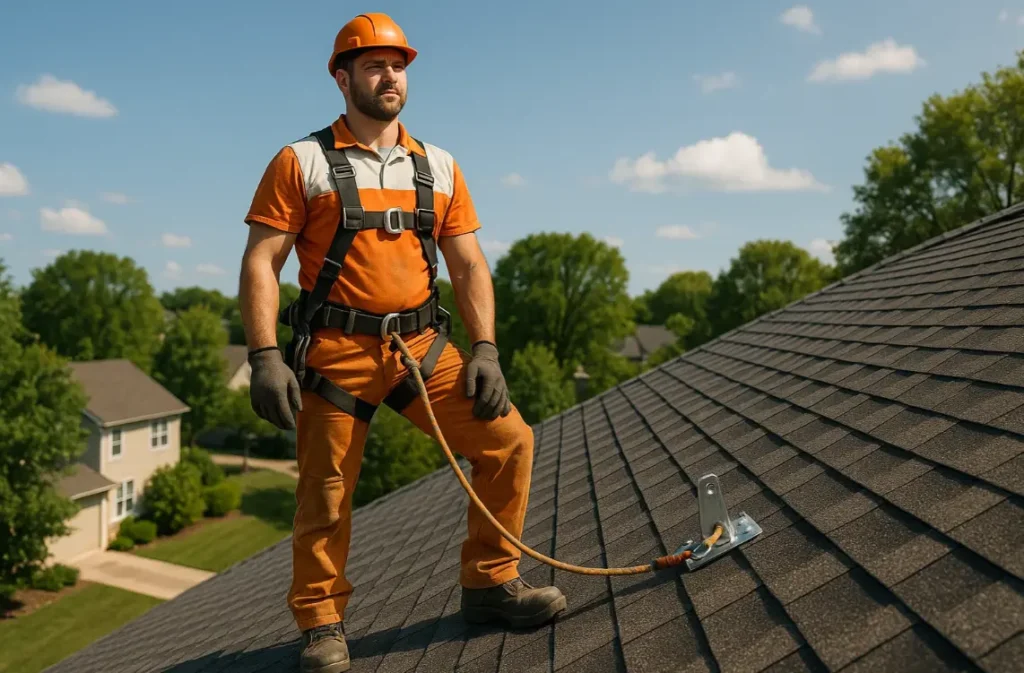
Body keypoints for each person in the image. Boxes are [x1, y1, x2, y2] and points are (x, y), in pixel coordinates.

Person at [237, 12, 566, 673]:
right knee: (325, 490)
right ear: (342, 77)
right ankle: (322, 622)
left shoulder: (437, 166)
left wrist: (486, 347)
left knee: (510, 441)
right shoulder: (300, 162)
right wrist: (264, 353)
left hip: (421, 348)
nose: (390, 77)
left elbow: (469, 264)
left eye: (398, 66)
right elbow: (260, 261)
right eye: (373, 66)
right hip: (336, 353)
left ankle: (490, 582)